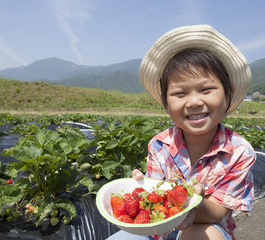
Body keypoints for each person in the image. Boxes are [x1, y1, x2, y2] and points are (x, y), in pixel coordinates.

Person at [107, 24, 256, 240]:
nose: (194, 102)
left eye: (206, 89)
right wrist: (141, 190)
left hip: (206, 225)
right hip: (158, 226)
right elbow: (154, 198)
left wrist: (192, 201)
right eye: (179, 93)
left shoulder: (239, 152)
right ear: (166, 104)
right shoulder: (159, 144)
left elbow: (219, 211)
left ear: (228, 95)